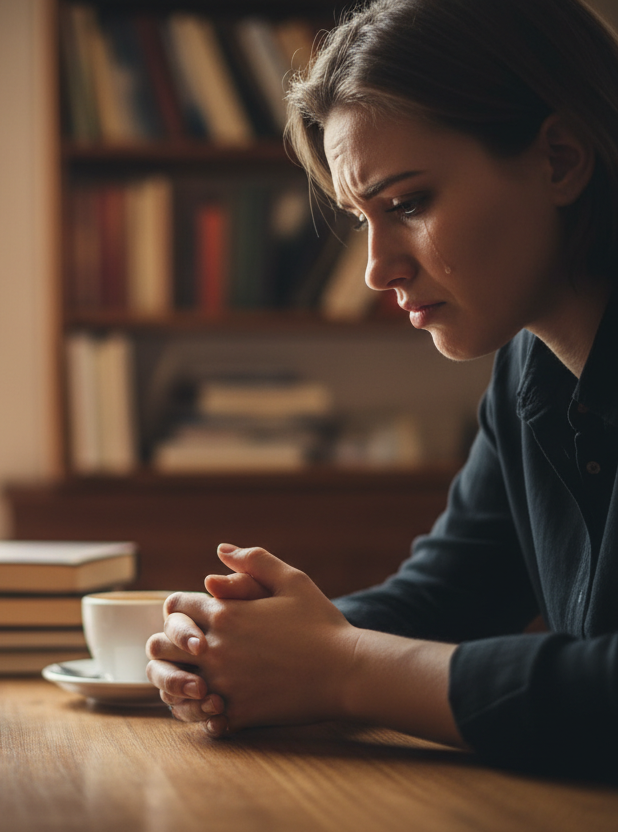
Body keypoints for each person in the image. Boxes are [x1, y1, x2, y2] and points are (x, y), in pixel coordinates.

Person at [146, 0, 618, 776]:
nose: (376, 270)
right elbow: (445, 596)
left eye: (407, 204)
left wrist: (338, 668)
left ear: (560, 160)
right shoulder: (527, 369)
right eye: (362, 218)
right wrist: (249, 647)